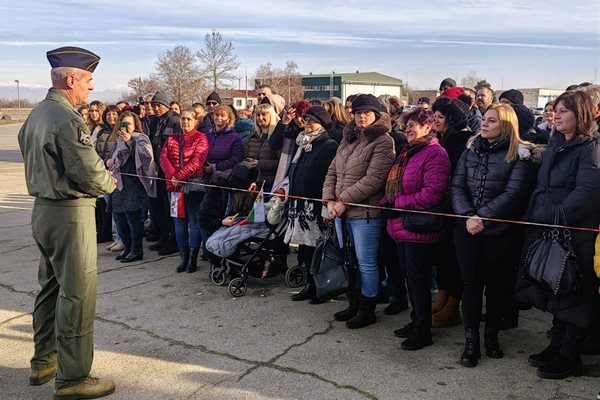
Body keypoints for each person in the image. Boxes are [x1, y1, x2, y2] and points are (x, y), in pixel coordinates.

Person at [17, 46, 116, 399]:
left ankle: (43, 360)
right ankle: (73, 376)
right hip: (69, 215)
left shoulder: (37, 114)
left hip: (43, 210)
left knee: (50, 289)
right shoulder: (67, 118)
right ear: (71, 79)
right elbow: (89, 171)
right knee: (78, 293)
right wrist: (110, 182)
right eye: (89, 82)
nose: (91, 90)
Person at [514, 90, 600, 380]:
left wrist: (553, 216)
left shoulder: (591, 148)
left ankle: (570, 355)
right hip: (549, 227)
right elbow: (543, 186)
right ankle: (556, 346)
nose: (556, 114)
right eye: (557, 110)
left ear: (582, 115)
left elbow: (587, 193)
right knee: (556, 288)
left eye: (565, 110)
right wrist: (534, 216)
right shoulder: (556, 143)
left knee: (574, 292)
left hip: (576, 232)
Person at [451, 103, 537, 367]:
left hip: (500, 232)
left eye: (492, 121)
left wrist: (482, 217)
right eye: (485, 119)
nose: (484, 124)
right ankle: (471, 341)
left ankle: (491, 336)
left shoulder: (520, 155)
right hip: (467, 229)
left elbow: (513, 194)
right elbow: (457, 185)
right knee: (470, 286)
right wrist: (468, 216)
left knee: (497, 286)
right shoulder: (470, 149)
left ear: (506, 126)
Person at [323, 94, 395, 329]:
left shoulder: (383, 141)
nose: (361, 116)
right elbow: (332, 170)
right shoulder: (348, 138)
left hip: (365, 215)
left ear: (376, 115)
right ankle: (354, 302)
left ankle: (368, 307)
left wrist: (343, 200)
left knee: (367, 263)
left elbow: (374, 179)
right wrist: (330, 199)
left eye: (366, 112)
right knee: (349, 259)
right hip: (340, 211)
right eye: (357, 112)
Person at [382, 108, 451, 350]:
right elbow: (398, 187)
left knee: (418, 280)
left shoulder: (435, 154)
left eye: (414, 124)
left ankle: (423, 331)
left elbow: (432, 193)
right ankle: (416, 321)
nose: (408, 129)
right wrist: (386, 203)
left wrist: (397, 204)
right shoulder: (408, 153)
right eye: (406, 125)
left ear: (428, 127)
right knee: (411, 280)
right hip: (402, 225)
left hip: (420, 228)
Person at [429, 95, 474, 328]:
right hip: (441, 207)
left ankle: (452, 306)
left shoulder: (463, 139)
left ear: (452, 118)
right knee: (442, 256)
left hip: (455, 208)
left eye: (440, 117)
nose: (435, 121)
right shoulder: (442, 138)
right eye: (433, 116)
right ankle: (442, 297)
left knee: (453, 258)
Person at [285, 106, 338, 302]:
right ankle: (309, 284)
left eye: (312, 120)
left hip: (315, 205)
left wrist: (326, 205)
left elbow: (329, 177)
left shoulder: (329, 145)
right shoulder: (303, 142)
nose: (307, 123)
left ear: (322, 124)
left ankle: (320, 287)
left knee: (318, 248)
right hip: (299, 204)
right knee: (304, 248)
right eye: (306, 120)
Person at [160, 109, 209, 273]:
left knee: (194, 223)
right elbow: (163, 158)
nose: (185, 122)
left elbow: (198, 161)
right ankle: (184, 257)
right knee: (179, 223)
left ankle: (193, 258)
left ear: (196, 121)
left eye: (188, 119)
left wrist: (180, 176)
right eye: (183, 119)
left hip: (193, 187)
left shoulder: (201, 138)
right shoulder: (172, 138)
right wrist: (172, 176)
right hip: (174, 187)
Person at [106, 111, 157, 263]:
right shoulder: (118, 140)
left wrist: (130, 142)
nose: (126, 127)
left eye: (129, 124)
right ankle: (127, 248)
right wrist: (109, 161)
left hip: (135, 183)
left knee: (133, 219)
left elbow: (146, 158)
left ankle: (136, 250)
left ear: (135, 125)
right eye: (123, 124)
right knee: (119, 217)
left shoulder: (141, 139)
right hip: (120, 183)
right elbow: (114, 156)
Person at [147, 91, 181, 256]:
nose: (156, 108)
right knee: (161, 207)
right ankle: (163, 236)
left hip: (171, 172)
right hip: (159, 171)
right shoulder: (157, 122)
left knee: (171, 207)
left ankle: (174, 240)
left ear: (166, 105)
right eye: (154, 105)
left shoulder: (175, 121)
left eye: (158, 105)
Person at [94, 105, 122, 248]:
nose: (111, 117)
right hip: (103, 173)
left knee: (117, 208)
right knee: (109, 207)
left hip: (116, 174)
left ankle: (121, 238)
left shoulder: (121, 133)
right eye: (109, 114)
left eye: (114, 114)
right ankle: (116, 238)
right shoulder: (101, 132)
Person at [245, 103, 281, 192]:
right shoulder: (252, 135)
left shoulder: (278, 136)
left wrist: (259, 163)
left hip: (269, 184)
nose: (260, 118)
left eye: (264, 114)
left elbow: (281, 163)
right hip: (251, 182)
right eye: (258, 115)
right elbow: (245, 155)